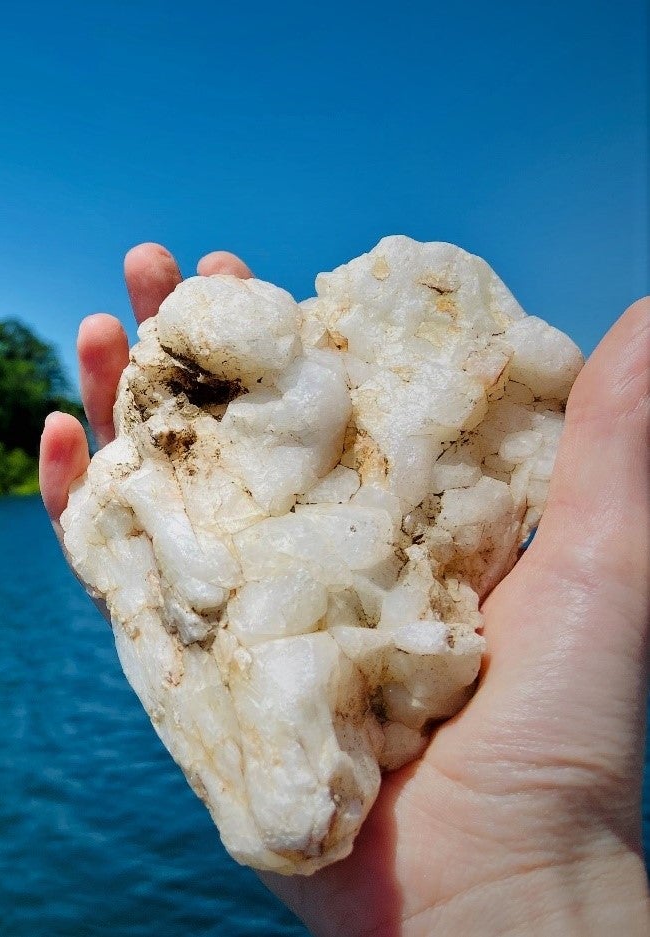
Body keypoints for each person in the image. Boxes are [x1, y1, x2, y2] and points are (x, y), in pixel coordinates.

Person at [37, 243, 650, 936]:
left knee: (281, 714)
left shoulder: (318, 399)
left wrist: (520, 878)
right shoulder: (152, 475)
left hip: (320, 596)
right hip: (278, 597)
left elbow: (265, 523)